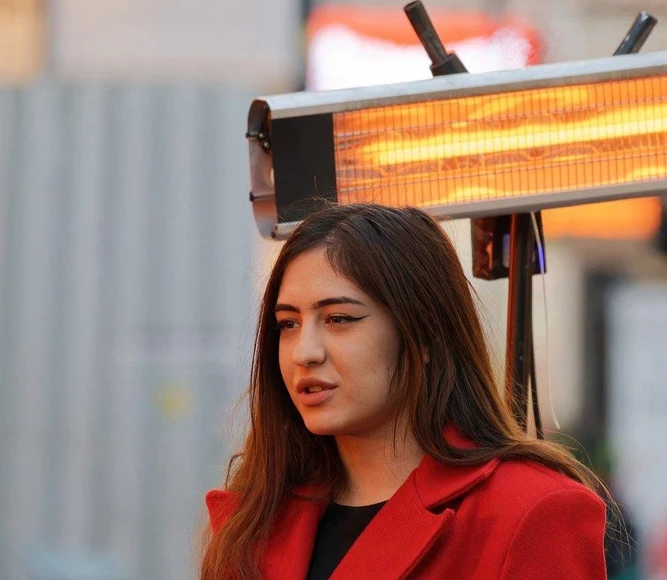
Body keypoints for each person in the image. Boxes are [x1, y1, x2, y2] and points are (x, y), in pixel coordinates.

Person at [199, 204, 608, 580]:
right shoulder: (255, 520)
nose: (304, 352)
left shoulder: (530, 511)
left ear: (425, 335)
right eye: (288, 324)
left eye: (339, 318)